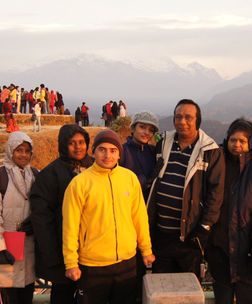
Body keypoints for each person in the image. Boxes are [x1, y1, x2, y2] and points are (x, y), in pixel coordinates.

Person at [63, 129, 155, 304]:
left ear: (119, 153)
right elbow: (70, 226)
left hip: (127, 262)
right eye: (102, 149)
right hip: (93, 264)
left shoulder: (130, 178)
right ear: (94, 151)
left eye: (113, 150)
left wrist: (146, 250)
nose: (107, 155)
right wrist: (71, 263)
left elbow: (139, 218)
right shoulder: (79, 183)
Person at [147, 98, 225, 278]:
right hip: (160, 233)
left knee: (187, 286)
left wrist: (204, 227)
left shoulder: (210, 151)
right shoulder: (163, 143)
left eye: (188, 117)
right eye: (178, 117)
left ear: (198, 120)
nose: (182, 122)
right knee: (162, 284)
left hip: (189, 235)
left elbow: (216, 193)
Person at [207, 118, 252, 304]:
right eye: (233, 140)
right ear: (227, 139)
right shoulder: (216, 163)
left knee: (247, 295)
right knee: (222, 294)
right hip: (219, 244)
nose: (237, 144)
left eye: (242, 141)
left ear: (250, 143)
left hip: (247, 247)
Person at [31, 124, 94, 304]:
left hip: (91, 251)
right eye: (72, 143)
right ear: (63, 145)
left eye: (82, 142)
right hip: (61, 252)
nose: (78, 147)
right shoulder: (50, 174)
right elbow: (42, 217)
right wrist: (52, 255)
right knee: (62, 296)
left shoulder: (95, 169)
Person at [0, 132, 37, 304]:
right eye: (18, 150)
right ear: (10, 150)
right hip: (5, 247)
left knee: (25, 297)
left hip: (28, 248)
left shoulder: (35, 175)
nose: (23, 154)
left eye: (27, 151)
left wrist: (34, 222)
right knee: (7, 298)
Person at [119, 110, 159, 302]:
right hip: (126, 221)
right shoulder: (121, 152)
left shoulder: (153, 152)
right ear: (132, 127)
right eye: (142, 127)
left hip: (149, 220)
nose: (146, 133)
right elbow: (120, 185)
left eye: (151, 130)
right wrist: (147, 180)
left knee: (142, 274)